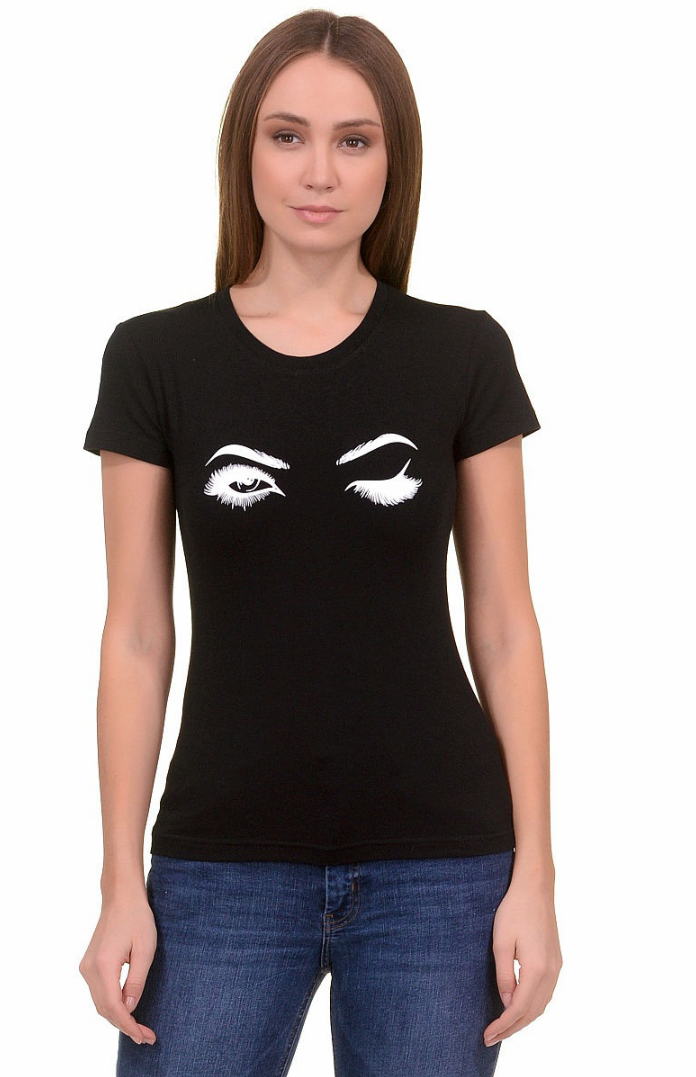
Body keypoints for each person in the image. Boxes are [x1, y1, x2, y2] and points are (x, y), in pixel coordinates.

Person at [78, 9, 562, 1076]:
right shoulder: (154, 358)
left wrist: (536, 876)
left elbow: (505, 625)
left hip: (442, 868)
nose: (320, 172)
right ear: (243, 149)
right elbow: (137, 636)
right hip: (218, 868)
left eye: (355, 140)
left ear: (395, 160)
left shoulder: (464, 353)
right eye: (288, 134)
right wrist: (119, 881)